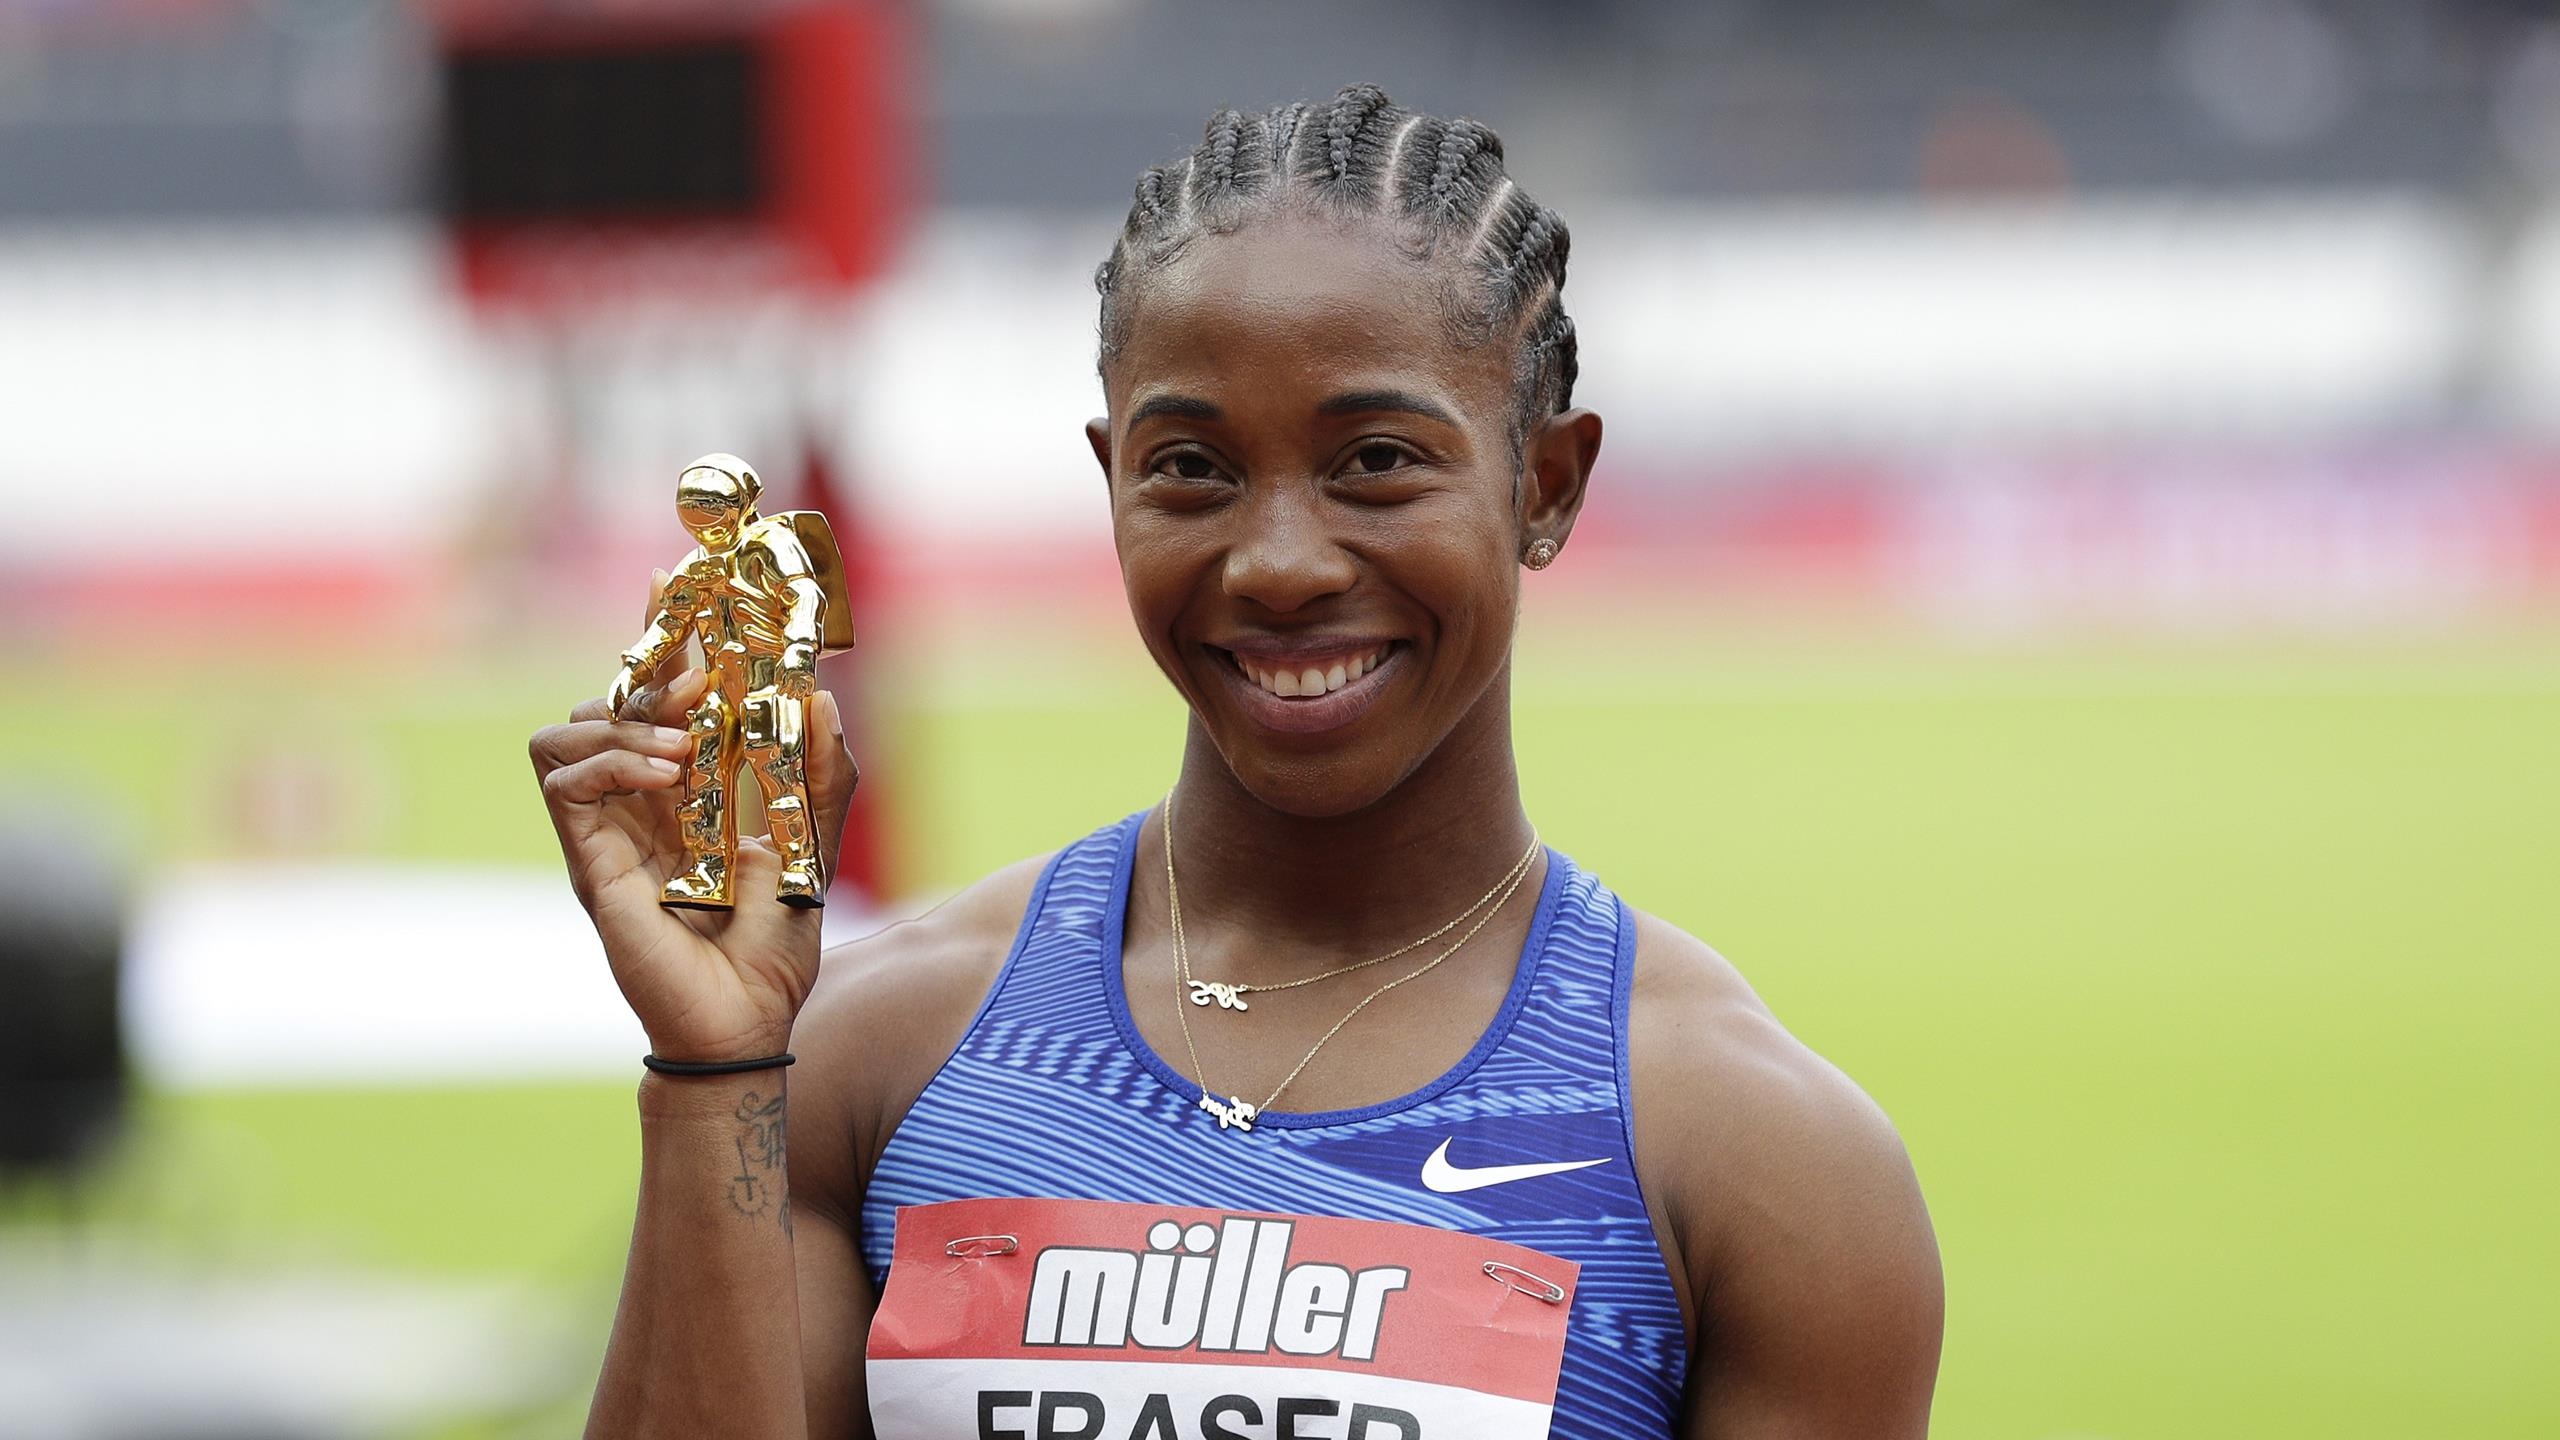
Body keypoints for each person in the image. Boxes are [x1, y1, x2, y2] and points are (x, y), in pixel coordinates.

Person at [531, 85, 1943, 1440]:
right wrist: (714, 1070)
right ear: (1112, 482)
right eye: (1192, 469)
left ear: (1547, 483)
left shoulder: (1747, 1154)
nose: (1276, 563)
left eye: (1378, 461)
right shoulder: (878, 1056)